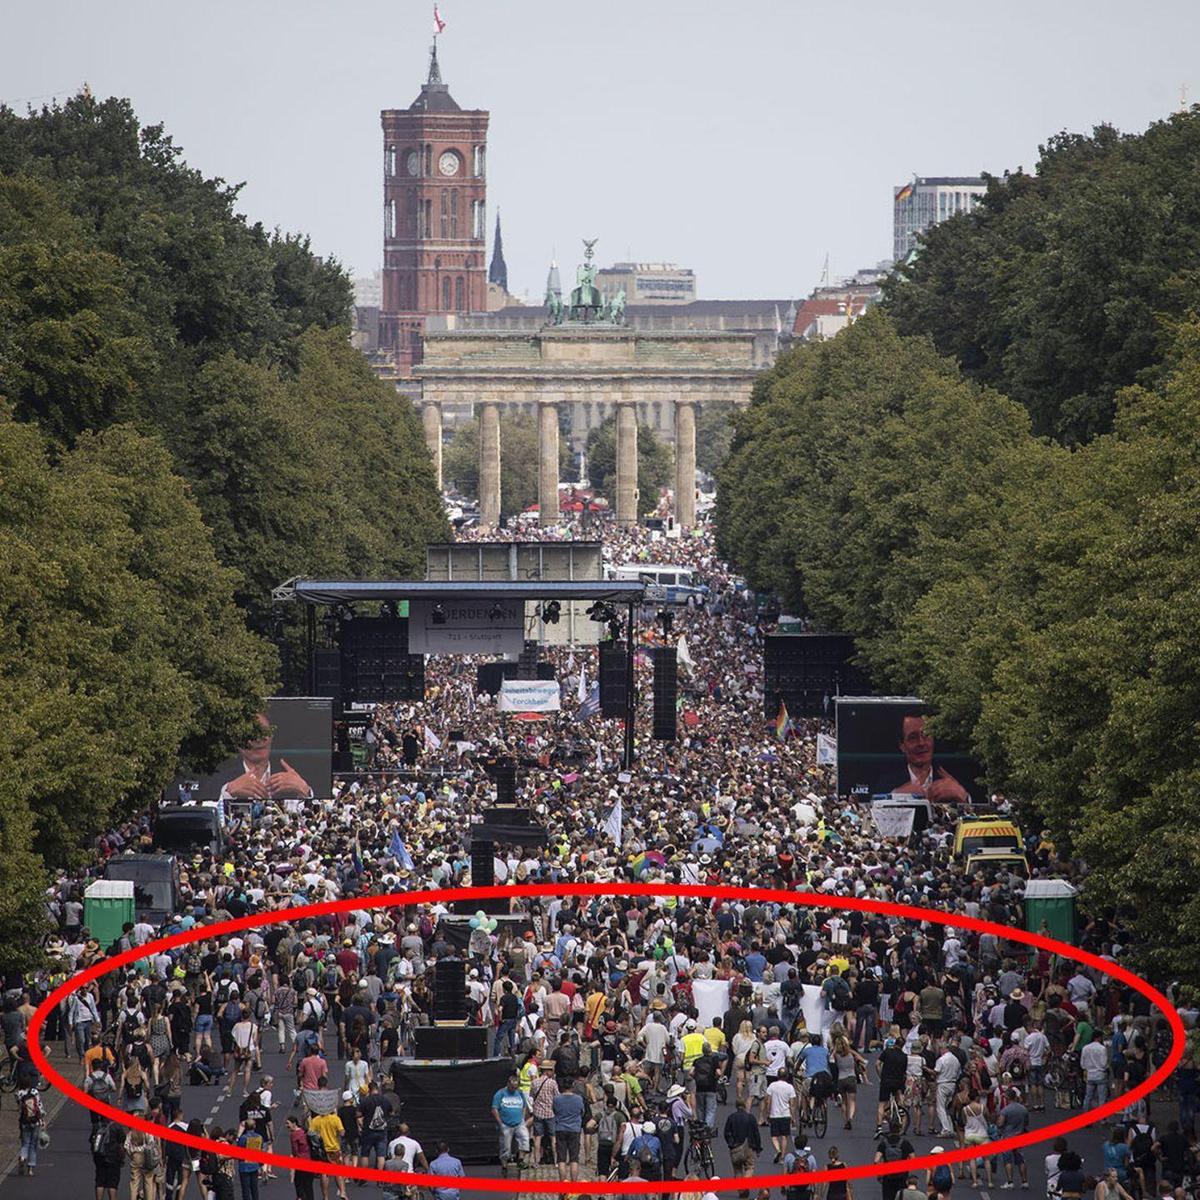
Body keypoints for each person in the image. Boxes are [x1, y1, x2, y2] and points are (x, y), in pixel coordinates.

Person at [218, 712, 312, 802]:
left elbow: (318, 814)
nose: (258, 739)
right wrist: (228, 793)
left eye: (263, 731)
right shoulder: (220, 780)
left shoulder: (296, 775)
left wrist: (305, 790)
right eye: (250, 733)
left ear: (272, 735)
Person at [891, 714, 968, 803]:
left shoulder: (955, 776)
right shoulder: (887, 781)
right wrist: (896, 797)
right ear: (902, 745)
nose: (921, 743)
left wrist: (962, 796)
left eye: (926, 735)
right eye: (913, 738)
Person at [491, 1072, 531, 1166]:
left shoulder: (520, 1093)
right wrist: (500, 1122)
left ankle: (520, 1160)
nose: (514, 1089)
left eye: (516, 1087)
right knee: (506, 1147)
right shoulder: (500, 1094)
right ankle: (504, 1166)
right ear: (508, 1084)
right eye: (512, 1087)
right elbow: (494, 1109)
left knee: (525, 1140)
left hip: (519, 1122)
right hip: (505, 1124)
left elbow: (524, 1106)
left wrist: (522, 1117)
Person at [875, 1121, 915, 1200]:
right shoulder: (905, 1143)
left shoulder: (884, 1143)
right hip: (902, 1177)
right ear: (899, 1130)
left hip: (887, 1177)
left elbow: (876, 1160)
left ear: (889, 1129)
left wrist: (879, 1175)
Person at [723, 1098, 761, 1180]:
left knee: (737, 1170)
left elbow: (726, 1133)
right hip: (748, 1146)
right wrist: (758, 1149)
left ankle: (741, 1189)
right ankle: (744, 1185)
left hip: (735, 1147)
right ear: (745, 1105)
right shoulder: (751, 1118)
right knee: (750, 1167)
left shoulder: (731, 1117)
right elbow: (756, 1134)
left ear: (736, 1106)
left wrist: (731, 1144)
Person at [1080, 1030, 1109, 1109]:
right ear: (1099, 1038)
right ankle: (1102, 1118)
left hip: (1090, 1075)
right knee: (1102, 1098)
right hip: (1100, 1075)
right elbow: (1104, 1064)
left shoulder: (1085, 1048)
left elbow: (1082, 1064)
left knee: (1088, 1097)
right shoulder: (1102, 1048)